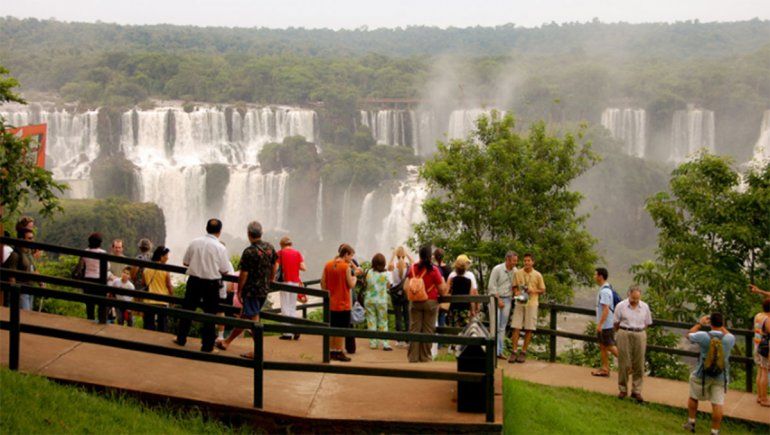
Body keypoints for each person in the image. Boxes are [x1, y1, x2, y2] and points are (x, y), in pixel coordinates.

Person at [215, 221, 276, 358]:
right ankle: (226, 342)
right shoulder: (270, 248)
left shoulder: (249, 251)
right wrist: (271, 279)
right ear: (261, 233)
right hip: (264, 289)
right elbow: (274, 264)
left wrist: (239, 290)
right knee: (246, 316)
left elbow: (244, 274)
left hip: (252, 290)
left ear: (249, 234)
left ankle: (258, 351)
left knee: (252, 319)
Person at [174, 219, 231, 353]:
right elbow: (225, 270)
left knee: (187, 310)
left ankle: (181, 338)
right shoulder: (221, 248)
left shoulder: (194, 242)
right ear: (219, 231)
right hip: (211, 285)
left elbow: (185, 262)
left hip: (194, 282)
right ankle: (207, 346)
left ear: (206, 228)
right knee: (210, 315)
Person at [683, 313, 735, 435]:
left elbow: (688, 335)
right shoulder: (729, 338)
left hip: (702, 374)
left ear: (710, 323)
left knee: (693, 396)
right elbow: (728, 334)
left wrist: (700, 323)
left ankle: (691, 423)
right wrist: (721, 326)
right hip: (721, 376)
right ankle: (714, 431)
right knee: (717, 404)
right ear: (722, 323)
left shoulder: (703, 336)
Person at [406, 245, 449, 363]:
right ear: (430, 256)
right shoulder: (434, 270)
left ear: (419, 255)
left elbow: (406, 287)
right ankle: (425, 358)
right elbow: (442, 291)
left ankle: (413, 358)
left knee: (414, 329)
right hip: (430, 302)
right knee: (428, 330)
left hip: (415, 302)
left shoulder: (412, 268)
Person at [613, 285, 652, 402]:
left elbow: (647, 322)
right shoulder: (621, 306)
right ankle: (623, 389)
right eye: (633, 298)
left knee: (639, 363)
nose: (635, 301)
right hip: (624, 332)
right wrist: (622, 332)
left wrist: (639, 331)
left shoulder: (644, 306)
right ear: (628, 294)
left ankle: (636, 391)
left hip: (639, 333)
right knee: (624, 362)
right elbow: (616, 322)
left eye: (637, 298)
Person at [321, 244, 358, 362]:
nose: (351, 259)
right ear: (346, 254)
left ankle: (332, 351)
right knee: (341, 330)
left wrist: (330, 293)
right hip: (343, 303)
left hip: (331, 303)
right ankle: (339, 352)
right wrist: (355, 278)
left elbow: (323, 283)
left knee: (332, 328)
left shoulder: (327, 265)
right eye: (351, 256)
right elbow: (350, 285)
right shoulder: (346, 267)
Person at [508, 253, 545, 363]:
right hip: (520, 302)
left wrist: (533, 291)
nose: (526, 262)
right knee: (516, 327)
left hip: (532, 303)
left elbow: (542, 290)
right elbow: (514, 287)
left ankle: (523, 352)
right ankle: (514, 351)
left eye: (529, 261)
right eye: (525, 261)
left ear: (533, 262)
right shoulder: (518, 273)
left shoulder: (538, 275)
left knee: (529, 328)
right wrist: (516, 292)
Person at [2, 228, 42, 310]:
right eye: (29, 238)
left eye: (32, 238)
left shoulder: (29, 254)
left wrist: (40, 281)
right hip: (21, 292)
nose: (32, 240)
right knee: (24, 316)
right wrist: (14, 295)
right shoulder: (15, 255)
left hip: (30, 289)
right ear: (22, 239)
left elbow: (33, 270)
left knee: (28, 317)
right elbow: (11, 276)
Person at [488, 251, 518, 359]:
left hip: (508, 299)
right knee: (494, 325)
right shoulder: (497, 269)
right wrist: (498, 299)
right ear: (508, 260)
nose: (515, 263)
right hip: (495, 299)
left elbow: (516, 286)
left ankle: (499, 351)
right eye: (514, 260)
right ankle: (492, 351)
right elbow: (491, 286)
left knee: (502, 327)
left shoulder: (515, 271)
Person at [276, 236, 306, 340]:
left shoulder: (280, 253)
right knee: (292, 306)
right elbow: (303, 268)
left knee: (285, 306)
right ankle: (294, 328)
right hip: (295, 282)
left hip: (284, 281)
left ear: (281, 245)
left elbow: (276, 267)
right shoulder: (297, 253)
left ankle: (287, 333)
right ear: (291, 244)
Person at [590, 267, 618, 376]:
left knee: (609, 346)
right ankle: (605, 369)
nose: (594, 277)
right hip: (605, 324)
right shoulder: (605, 289)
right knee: (602, 346)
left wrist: (600, 324)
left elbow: (606, 309)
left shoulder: (605, 291)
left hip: (606, 325)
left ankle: (628, 364)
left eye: (595, 275)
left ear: (600, 276)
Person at [78, 232, 110, 322]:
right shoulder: (103, 253)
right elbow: (107, 266)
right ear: (100, 243)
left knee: (90, 304)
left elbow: (80, 267)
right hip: (100, 280)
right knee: (101, 303)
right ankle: (101, 321)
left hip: (88, 279)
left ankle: (90, 321)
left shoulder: (85, 252)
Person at [364, 253, 393, 351]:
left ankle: (373, 343)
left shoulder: (368, 272)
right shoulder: (387, 274)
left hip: (369, 300)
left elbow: (366, 283)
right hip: (381, 300)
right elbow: (389, 286)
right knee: (383, 322)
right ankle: (385, 344)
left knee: (371, 321)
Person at [143, 246, 174, 331]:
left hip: (148, 300)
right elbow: (169, 285)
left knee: (148, 326)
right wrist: (172, 297)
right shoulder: (165, 270)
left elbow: (144, 283)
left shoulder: (147, 268)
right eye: (166, 256)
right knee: (162, 326)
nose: (168, 258)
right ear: (161, 257)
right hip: (161, 301)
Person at [389, 246, 413, 347]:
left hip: (395, 294)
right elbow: (414, 263)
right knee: (407, 316)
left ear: (397, 255)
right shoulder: (408, 266)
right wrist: (406, 255)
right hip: (405, 294)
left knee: (398, 317)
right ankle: (408, 340)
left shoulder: (393, 266)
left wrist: (393, 255)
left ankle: (399, 341)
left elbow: (388, 266)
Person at [446, 254, 478, 328]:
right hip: (465, 309)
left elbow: (446, 292)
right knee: (464, 330)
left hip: (453, 308)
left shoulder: (452, 278)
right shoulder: (469, 280)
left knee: (452, 330)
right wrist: (473, 309)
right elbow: (471, 296)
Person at [752, 298, 770, 407]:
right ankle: (764, 399)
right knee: (764, 371)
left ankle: (759, 396)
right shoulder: (767, 319)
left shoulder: (758, 316)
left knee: (760, 370)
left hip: (757, 344)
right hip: (766, 348)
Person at [433, 248, 452, 330]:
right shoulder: (448, 268)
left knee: (433, 317)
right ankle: (441, 341)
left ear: (434, 257)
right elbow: (451, 282)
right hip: (444, 294)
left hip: (434, 295)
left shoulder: (433, 267)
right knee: (442, 316)